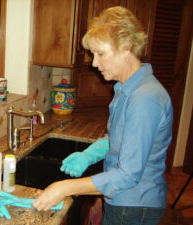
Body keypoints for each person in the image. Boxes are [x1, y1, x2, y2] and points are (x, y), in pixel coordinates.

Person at [32, 6, 173, 225]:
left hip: (134, 204)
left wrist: (64, 187)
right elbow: (117, 138)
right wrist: (88, 155)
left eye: (100, 54)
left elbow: (127, 175)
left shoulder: (144, 98)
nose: (94, 63)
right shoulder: (126, 89)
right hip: (124, 200)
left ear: (125, 47)